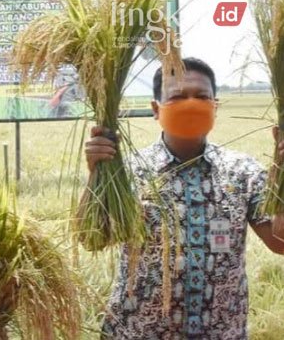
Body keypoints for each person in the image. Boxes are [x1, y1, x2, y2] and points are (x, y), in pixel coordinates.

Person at [84, 57, 284, 339]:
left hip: (220, 333)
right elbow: (93, 238)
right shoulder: (128, 171)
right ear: (156, 109)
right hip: (138, 331)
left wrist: (282, 178)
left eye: (202, 97)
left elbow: (280, 243)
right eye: (178, 96)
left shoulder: (243, 172)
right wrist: (96, 174)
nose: (191, 104)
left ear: (215, 106)